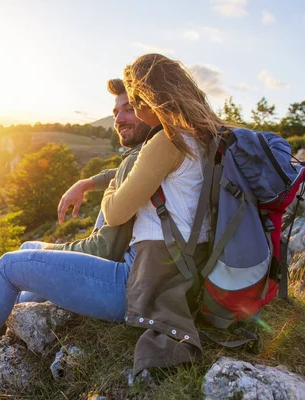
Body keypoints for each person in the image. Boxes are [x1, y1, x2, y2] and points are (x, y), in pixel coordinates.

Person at [0, 79, 151, 400]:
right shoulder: (153, 154)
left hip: (128, 286)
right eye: (116, 111)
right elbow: (123, 170)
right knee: (26, 250)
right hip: (132, 277)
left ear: (152, 108)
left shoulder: (143, 160)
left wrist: (56, 248)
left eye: (129, 109)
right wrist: (89, 181)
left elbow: (105, 249)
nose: (119, 118)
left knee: (12, 264)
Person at [100, 53, 229, 374]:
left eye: (133, 101)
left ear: (146, 98)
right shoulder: (202, 135)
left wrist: (112, 184)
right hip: (192, 258)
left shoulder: (168, 139)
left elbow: (115, 214)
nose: (133, 109)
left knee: (17, 264)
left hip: (159, 264)